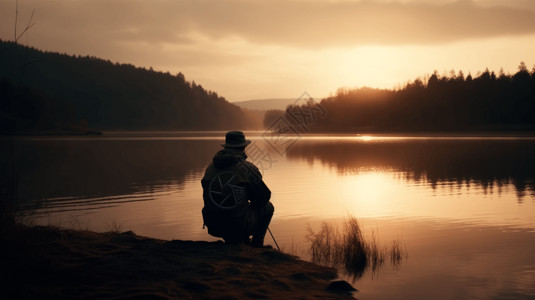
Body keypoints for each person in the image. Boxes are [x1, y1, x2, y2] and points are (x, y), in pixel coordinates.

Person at [201, 131, 274, 247]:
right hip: (236, 224)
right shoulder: (247, 168)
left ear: (226, 147)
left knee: (233, 209)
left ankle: (237, 241)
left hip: (213, 223)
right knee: (268, 207)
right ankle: (257, 246)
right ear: (243, 147)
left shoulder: (210, 167)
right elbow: (264, 198)